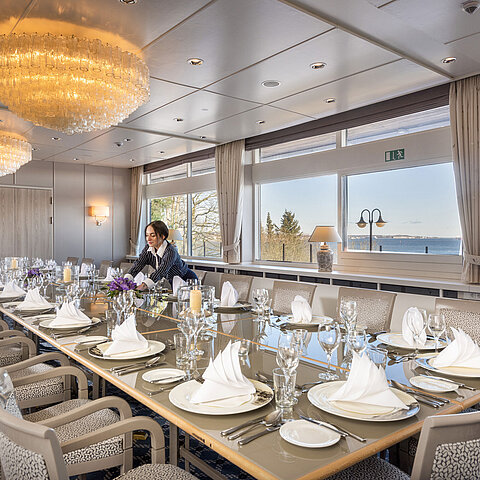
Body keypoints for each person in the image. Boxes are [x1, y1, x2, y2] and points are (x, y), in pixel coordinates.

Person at [125, 221, 197, 291]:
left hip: (187, 280)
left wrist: (142, 286)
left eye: (152, 235)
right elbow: (138, 264)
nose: (148, 239)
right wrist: (125, 281)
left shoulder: (170, 251)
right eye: (147, 235)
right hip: (173, 281)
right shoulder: (148, 249)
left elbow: (161, 271)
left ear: (163, 236)